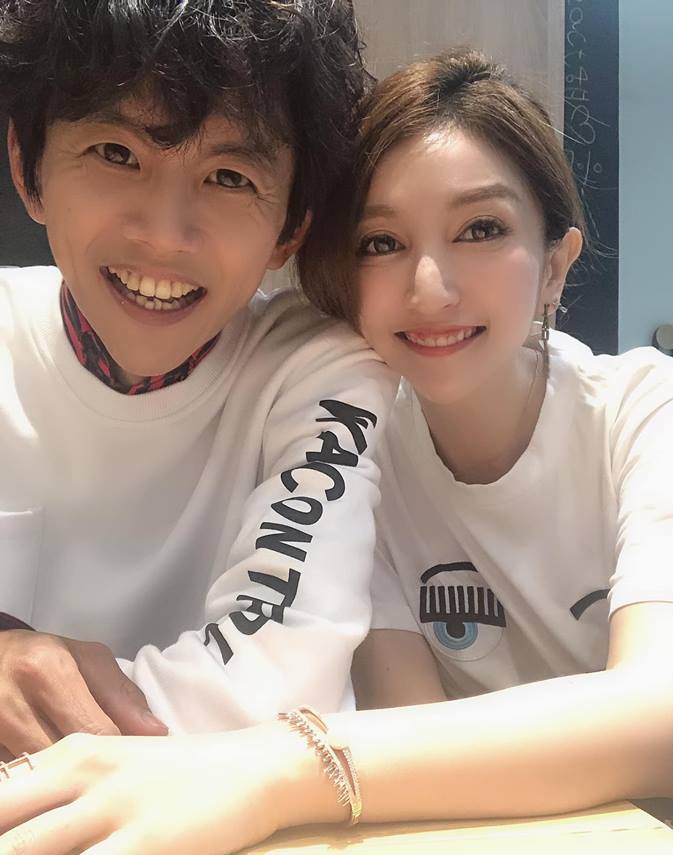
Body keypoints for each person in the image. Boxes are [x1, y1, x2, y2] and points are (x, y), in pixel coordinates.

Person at [1, 49, 673, 855]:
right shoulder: (359, 431)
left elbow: (668, 719)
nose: (430, 287)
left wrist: (266, 773)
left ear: (555, 264)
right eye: (382, 243)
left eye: (481, 229)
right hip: (488, 846)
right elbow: (414, 739)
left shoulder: (654, 409)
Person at [0, 0, 396, 754]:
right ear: (30, 168)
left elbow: (281, 684)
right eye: (116, 153)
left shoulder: (322, 374)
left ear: (292, 228)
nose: (164, 236)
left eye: (229, 177)